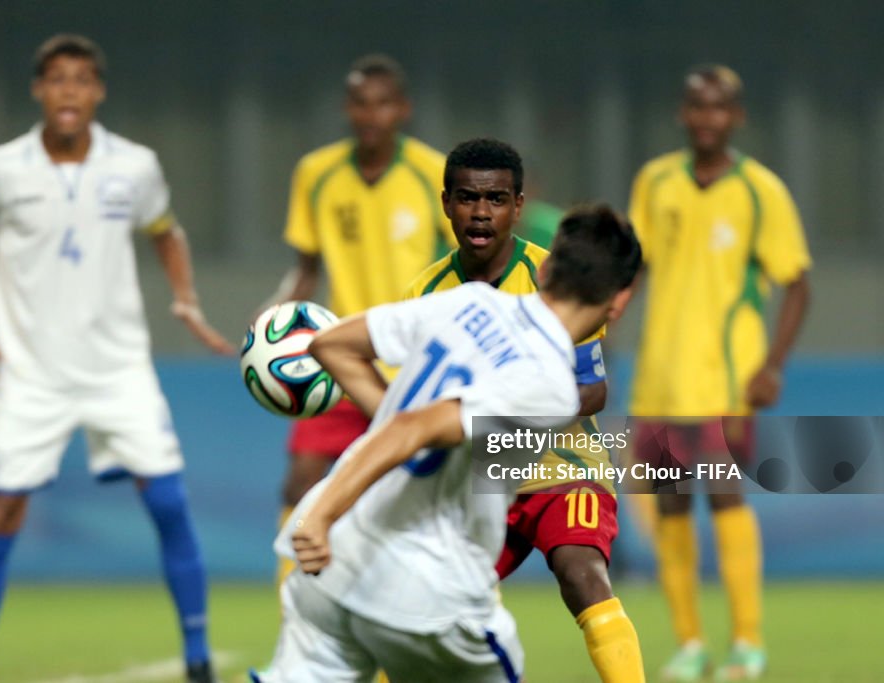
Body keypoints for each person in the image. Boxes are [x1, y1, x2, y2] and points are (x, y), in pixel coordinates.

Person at [251, 200, 642, 682]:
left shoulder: (468, 301)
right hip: (424, 582)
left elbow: (329, 344)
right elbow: (414, 428)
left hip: (334, 561)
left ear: (544, 269)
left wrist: (325, 513)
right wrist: (326, 509)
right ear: (620, 301)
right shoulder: (551, 385)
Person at [0, 34, 233, 683]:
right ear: (38, 90)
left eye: (81, 79)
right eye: (56, 79)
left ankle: (197, 658)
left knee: (167, 501)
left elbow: (166, 231)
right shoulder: (0, 167)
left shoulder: (133, 165)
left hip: (118, 368)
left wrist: (185, 297)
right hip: (29, 372)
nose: (69, 91)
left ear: (98, 90)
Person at [406, 138, 644, 682]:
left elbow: (593, 390)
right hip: (479, 482)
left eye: (495, 199)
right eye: (467, 197)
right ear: (446, 203)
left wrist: (507, 416)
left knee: (581, 574)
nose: (480, 212)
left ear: (518, 205)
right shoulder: (425, 294)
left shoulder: (557, 279)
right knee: (418, 613)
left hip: (560, 467)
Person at [628, 64, 812, 682]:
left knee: (725, 496)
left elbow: (797, 284)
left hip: (725, 376)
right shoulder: (654, 183)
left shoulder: (761, 191)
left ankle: (748, 643)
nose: (706, 118)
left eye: (719, 108)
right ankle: (688, 644)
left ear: (736, 117)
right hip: (659, 374)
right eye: (696, 107)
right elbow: (635, 270)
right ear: (683, 114)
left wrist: (773, 366)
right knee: (670, 505)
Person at [263, 54, 454, 584]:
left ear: (403, 110)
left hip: (414, 366)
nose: (371, 115)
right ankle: (295, 615)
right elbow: (305, 268)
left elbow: (467, 261)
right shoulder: (317, 174)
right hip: (338, 360)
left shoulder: (432, 172)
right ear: (348, 109)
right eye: (360, 103)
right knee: (300, 482)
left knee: (402, 498)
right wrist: (275, 315)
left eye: (383, 103)